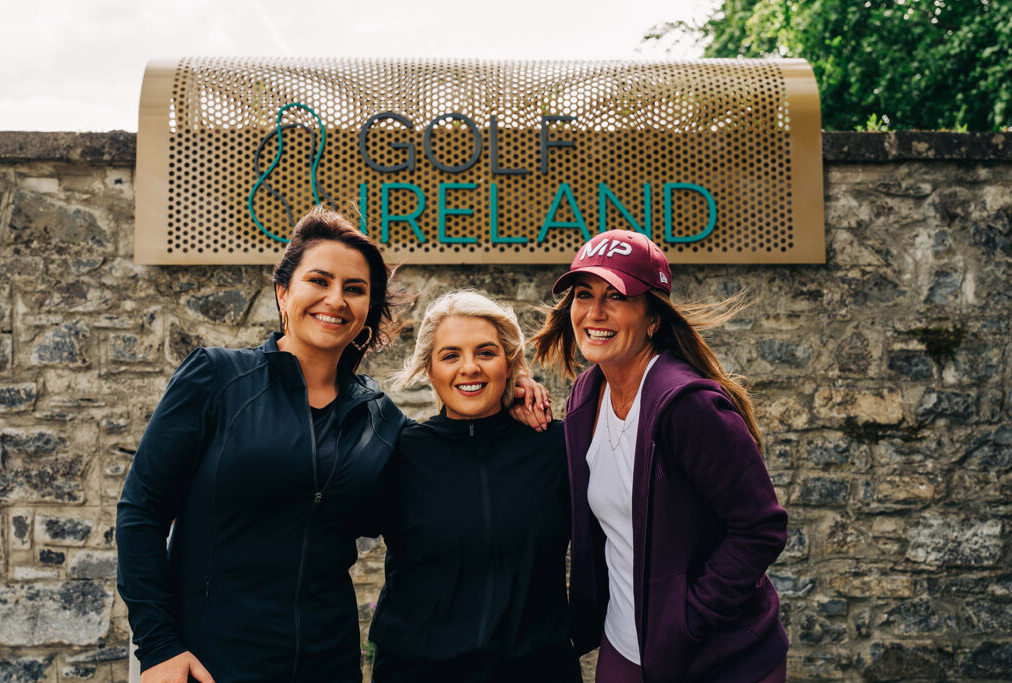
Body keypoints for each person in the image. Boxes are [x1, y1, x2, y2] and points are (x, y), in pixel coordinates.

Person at [116, 209, 550, 683]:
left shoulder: (381, 418)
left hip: (330, 664)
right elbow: (142, 511)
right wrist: (158, 646)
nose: (336, 299)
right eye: (319, 281)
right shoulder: (216, 379)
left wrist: (511, 387)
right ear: (284, 293)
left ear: (366, 310)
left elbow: (450, 457)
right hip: (211, 662)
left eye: (355, 289)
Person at [531, 230, 789, 683]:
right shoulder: (586, 394)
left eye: (617, 297)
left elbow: (760, 526)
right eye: (584, 294)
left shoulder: (688, 405)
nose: (595, 313)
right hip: (625, 651)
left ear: (652, 318)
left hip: (716, 658)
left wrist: (689, 620)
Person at [368, 291, 581, 683]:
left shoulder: (558, 447)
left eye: (486, 353)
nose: (469, 368)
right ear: (430, 370)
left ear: (510, 365)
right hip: (417, 672)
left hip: (537, 671)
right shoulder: (397, 451)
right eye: (450, 356)